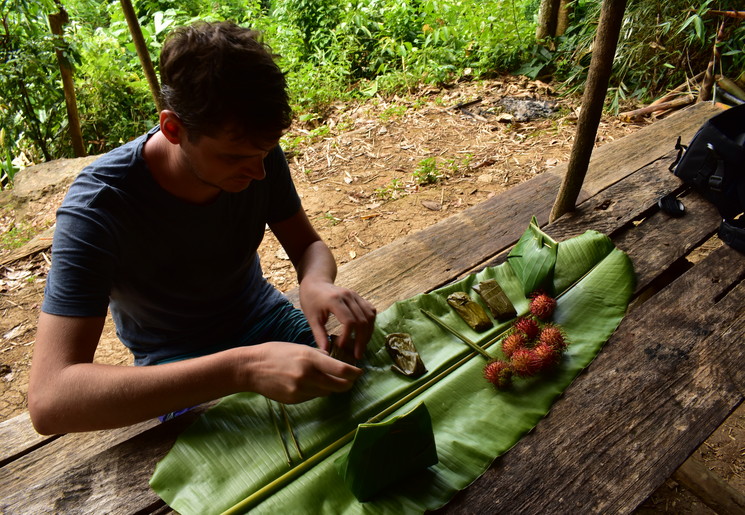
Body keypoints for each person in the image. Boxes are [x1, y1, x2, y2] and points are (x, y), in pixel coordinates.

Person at [28, 21, 376, 435]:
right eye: (234, 158)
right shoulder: (99, 207)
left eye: (264, 152)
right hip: (173, 364)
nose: (259, 172)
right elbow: (50, 400)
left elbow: (307, 246)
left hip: (268, 323)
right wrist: (244, 367)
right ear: (173, 129)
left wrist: (315, 282)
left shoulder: (251, 152)